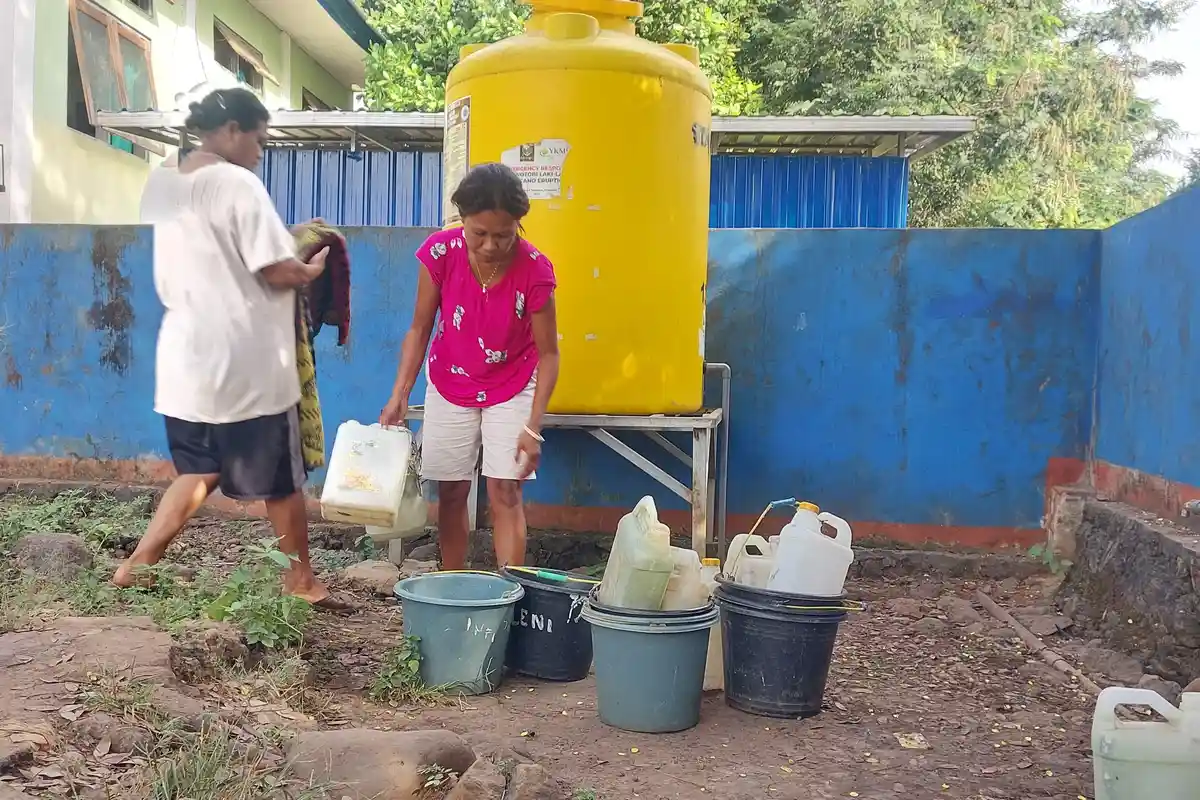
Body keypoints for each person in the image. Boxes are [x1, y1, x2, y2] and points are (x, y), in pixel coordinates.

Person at [112, 87, 350, 612]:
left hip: (185, 354)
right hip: (246, 358)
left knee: (199, 469)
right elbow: (275, 268)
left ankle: (137, 565)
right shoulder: (237, 183)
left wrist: (282, 240)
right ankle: (301, 583)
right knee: (282, 481)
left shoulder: (165, 180)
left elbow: (217, 247)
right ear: (232, 131)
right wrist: (309, 269)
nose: (261, 153)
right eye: (259, 140)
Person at [380, 163, 559, 569]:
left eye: (503, 235)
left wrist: (533, 428)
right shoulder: (440, 253)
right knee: (451, 490)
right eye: (479, 233)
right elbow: (420, 328)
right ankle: (452, 582)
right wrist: (399, 394)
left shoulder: (535, 270)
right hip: (450, 380)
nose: (491, 245)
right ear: (462, 219)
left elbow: (549, 354)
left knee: (505, 490)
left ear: (518, 224)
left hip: (512, 382)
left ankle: (512, 588)